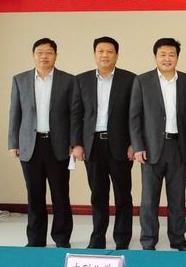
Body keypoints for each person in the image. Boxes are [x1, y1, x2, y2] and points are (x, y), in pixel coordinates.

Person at [129, 38, 186, 251]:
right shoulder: (142, 80)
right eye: (163, 54)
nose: (167, 59)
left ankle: (178, 238)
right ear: (155, 56)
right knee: (149, 199)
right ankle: (148, 240)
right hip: (151, 148)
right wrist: (138, 146)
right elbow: (134, 117)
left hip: (179, 147)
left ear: (177, 57)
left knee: (177, 197)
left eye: (171, 54)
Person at [8, 38, 76, 248]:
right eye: (40, 52)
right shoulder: (20, 80)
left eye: (49, 52)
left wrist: (74, 142)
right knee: (34, 195)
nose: (44, 56)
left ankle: (62, 238)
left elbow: (74, 114)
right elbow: (15, 113)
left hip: (58, 146)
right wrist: (13, 142)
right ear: (33, 55)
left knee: (60, 195)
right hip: (30, 145)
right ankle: (35, 240)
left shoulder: (68, 80)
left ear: (56, 55)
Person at [71, 36, 136, 250]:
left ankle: (122, 239)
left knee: (123, 195)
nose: (105, 55)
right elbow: (76, 114)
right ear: (94, 54)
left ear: (117, 55)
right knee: (98, 195)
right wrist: (76, 144)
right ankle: (97, 237)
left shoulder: (130, 79)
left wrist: (133, 143)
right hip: (93, 145)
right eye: (101, 51)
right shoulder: (81, 80)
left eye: (110, 51)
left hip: (120, 146)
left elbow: (135, 115)